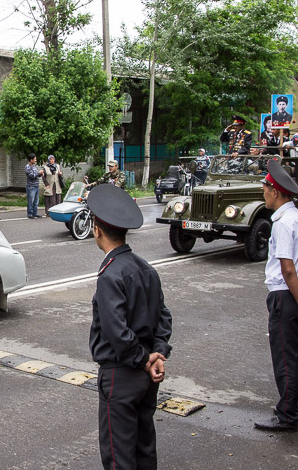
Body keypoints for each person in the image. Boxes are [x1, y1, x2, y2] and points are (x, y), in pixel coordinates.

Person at [86, 184, 172, 469]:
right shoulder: (145, 267)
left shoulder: (110, 274)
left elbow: (116, 331)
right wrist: (157, 353)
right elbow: (164, 316)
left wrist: (143, 358)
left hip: (121, 374)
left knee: (118, 454)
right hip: (146, 377)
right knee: (144, 448)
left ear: (97, 230)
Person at [255, 158, 298, 432]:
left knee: (285, 358)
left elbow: (288, 268)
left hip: (286, 295)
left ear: (276, 192)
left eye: (266, 190)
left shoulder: (282, 223)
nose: (264, 194)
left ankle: (288, 415)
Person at [25, 153, 44, 219]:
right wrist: (38, 173)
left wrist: (40, 174)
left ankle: (35, 213)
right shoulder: (27, 167)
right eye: (35, 159)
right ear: (31, 160)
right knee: (31, 201)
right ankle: (30, 214)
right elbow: (31, 175)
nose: (36, 160)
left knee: (36, 201)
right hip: (31, 186)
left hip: (36, 185)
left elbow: (36, 175)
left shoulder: (34, 166)